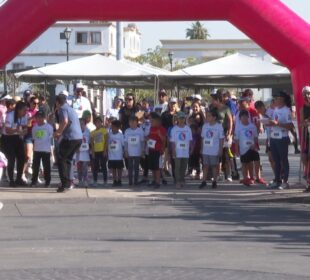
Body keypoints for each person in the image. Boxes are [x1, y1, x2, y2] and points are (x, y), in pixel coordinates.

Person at [54, 92, 83, 193]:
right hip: (78, 138)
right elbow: (70, 122)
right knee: (69, 159)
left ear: (58, 102)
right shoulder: (71, 109)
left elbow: (65, 121)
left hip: (71, 138)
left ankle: (64, 183)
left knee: (61, 159)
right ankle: (69, 180)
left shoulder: (62, 109)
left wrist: (58, 132)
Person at [268, 91, 293, 190]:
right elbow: (274, 122)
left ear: (282, 99)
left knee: (283, 160)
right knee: (276, 160)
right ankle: (277, 180)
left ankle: (285, 181)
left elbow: (290, 125)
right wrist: (269, 123)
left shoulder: (287, 110)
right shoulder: (275, 109)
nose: (275, 100)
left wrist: (278, 124)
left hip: (282, 137)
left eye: (277, 98)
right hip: (273, 137)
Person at [235, 110, 265, 186]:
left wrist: (255, 145)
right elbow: (236, 140)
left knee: (257, 160)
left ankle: (258, 177)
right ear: (240, 118)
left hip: (252, 148)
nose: (244, 118)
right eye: (242, 117)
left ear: (248, 117)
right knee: (245, 163)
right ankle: (246, 178)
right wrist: (237, 150)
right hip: (243, 149)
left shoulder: (252, 126)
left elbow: (255, 137)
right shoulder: (238, 127)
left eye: (246, 117)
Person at [2, 101, 28, 186]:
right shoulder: (10, 115)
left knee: (22, 157)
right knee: (11, 159)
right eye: (24, 110)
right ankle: (11, 180)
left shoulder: (24, 116)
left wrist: (24, 131)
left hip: (17, 137)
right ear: (19, 110)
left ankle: (19, 178)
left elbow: (25, 127)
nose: (25, 112)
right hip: (8, 138)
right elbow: (7, 130)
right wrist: (17, 130)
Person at [199, 109, 224, 189]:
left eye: (209, 116)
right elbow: (202, 138)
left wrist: (220, 149)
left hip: (214, 150)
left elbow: (221, 139)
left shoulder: (219, 126)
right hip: (206, 150)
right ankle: (204, 181)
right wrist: (202, 148)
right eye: (207, 115)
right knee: (205, 166)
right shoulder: (205, 126)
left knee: (214, 166)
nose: (207, 117)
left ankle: (214, 181)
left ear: (214, 117)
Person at [170, 111, 193, 189]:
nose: (182, 120)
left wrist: (191, 148)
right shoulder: (174, 129)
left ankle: (182, 179)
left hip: (185, 151)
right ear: (177, 119)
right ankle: (177, 181)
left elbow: (190, 140)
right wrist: (173, 151)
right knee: (177, 166)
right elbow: (172, 141)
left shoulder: (188, 129)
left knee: (184, 166)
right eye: (180, 118)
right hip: (177, 151)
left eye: (183, 118)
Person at [30, 111, 53, 187]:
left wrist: (52, 151)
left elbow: (51, 138)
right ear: (35, 118)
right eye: (37, 118)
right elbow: (34, 139)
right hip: (37, 150)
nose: (39, 119)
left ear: (44, 118)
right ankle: (34, 181)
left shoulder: (48, 127)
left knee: (47, 166)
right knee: (35, 166)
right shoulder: (34, 127)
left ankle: (47, 181)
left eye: (41, 117)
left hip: (46, 150)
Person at [124, 116, 145, 186]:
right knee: (130, 167)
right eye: (131, 122)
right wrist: (126, 151)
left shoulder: (140, 130)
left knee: (136, 167)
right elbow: (125, 142)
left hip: (137, 152)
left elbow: (142, 142)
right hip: (129, 152)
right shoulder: (127, 131)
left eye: (134, 122)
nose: (132, 123)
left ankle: (135, 181)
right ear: (129, 123)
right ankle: (130, 181)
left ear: (137, 122)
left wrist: (142, 151)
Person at [24, 95, 40, 179]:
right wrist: (33, 118)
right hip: (29, 135)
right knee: (28, 155)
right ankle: (23, 174)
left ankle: (35, 176)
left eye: (38, 103)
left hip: (38, 135)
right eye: (34, 103)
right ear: (30, 103)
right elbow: (27, 124)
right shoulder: (27, 112)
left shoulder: (39, 111)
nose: (36, 105)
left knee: (37, 156)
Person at [90, 116, 108, 187]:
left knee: (104, 166)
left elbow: (106, 140)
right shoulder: (92, 132)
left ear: (101, 123)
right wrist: (93, 152)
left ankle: (105, 181)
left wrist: (105, 150)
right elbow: (91, 143)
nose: (98, 123)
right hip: (96, 151)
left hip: (102, 151)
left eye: (99, 122)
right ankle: (95, 181)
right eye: (96, 122)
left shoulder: (104, 130)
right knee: (95, 167)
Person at [107, 120, 124, 186]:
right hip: (111, 155)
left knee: (119, 168)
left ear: (118, 128)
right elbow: (107, 143)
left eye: (114, 127)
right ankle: (114, 180)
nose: (112, 128)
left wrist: (124, 152)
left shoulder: (120, 135)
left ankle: (119, 180)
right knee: (113, 168)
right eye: (112, 126)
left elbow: (123, 144)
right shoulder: (109, 135)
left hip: (119, 155)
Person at [75, 118, 91, 187]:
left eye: (82, 124)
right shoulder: (76, 132)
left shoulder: (88, 132)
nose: (81, 125)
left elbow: (90, 142)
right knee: (79, 168)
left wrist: (90, 150)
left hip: (85, 153)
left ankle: (85, 180)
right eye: (79, 124)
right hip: (78, 154)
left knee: (85, 168)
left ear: (85, 124)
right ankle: (80, 180)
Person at [300, 86, 310, 191]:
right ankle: (308, 177)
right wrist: (304, 123)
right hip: (307, 135)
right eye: (305, 94)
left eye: (308, 93)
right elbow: (302, 122)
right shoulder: (302, 108)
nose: (307, 96)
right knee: (304, 157)